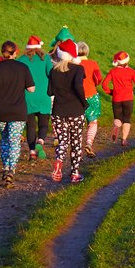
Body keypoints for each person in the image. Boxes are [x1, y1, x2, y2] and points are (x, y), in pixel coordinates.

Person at [0, 41, 35, 188]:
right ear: (15, 53)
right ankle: (11, 169)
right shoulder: (23, 68)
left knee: (5, 139)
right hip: (18, 110)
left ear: (2, 52)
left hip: (0, 109)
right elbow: (31, 89)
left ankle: (5, 168)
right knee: (14, 141)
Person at [47, 39, 87, 183]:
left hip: (58, 110)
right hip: (75, 110)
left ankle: (59, 161)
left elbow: (49, 91)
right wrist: (84, 103)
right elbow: (78, 87)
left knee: (62, 141)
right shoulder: (78, 69)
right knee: (76, 142)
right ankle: (74, 173)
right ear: (73, 54)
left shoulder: (53, 71)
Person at [18, 36, 52, 161]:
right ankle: (41, 141)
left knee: (30, 126)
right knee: (43, 124)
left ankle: (32, 152)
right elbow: (51, 73)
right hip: (44, 95)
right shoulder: (46, 58)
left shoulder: (21, 60)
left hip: (28, 97)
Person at [102, 51, 135, 146]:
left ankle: (116, 126)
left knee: (117, 118)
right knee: (127, 119)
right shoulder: (132, 72)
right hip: (128, 98)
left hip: (116, 98)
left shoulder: (113, 71)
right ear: (127, 61)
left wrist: (110, 92)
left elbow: (104, 84)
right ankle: (124, 140)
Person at [77, 42, 105, 158]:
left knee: (78, 123)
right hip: (91, 95)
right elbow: (99, 78)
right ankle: (89, 143)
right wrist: (94, 84)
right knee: (92, 122)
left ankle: (77, 146)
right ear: (87, 52)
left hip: (77, 96)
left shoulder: (74, 64)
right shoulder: (93, 64)